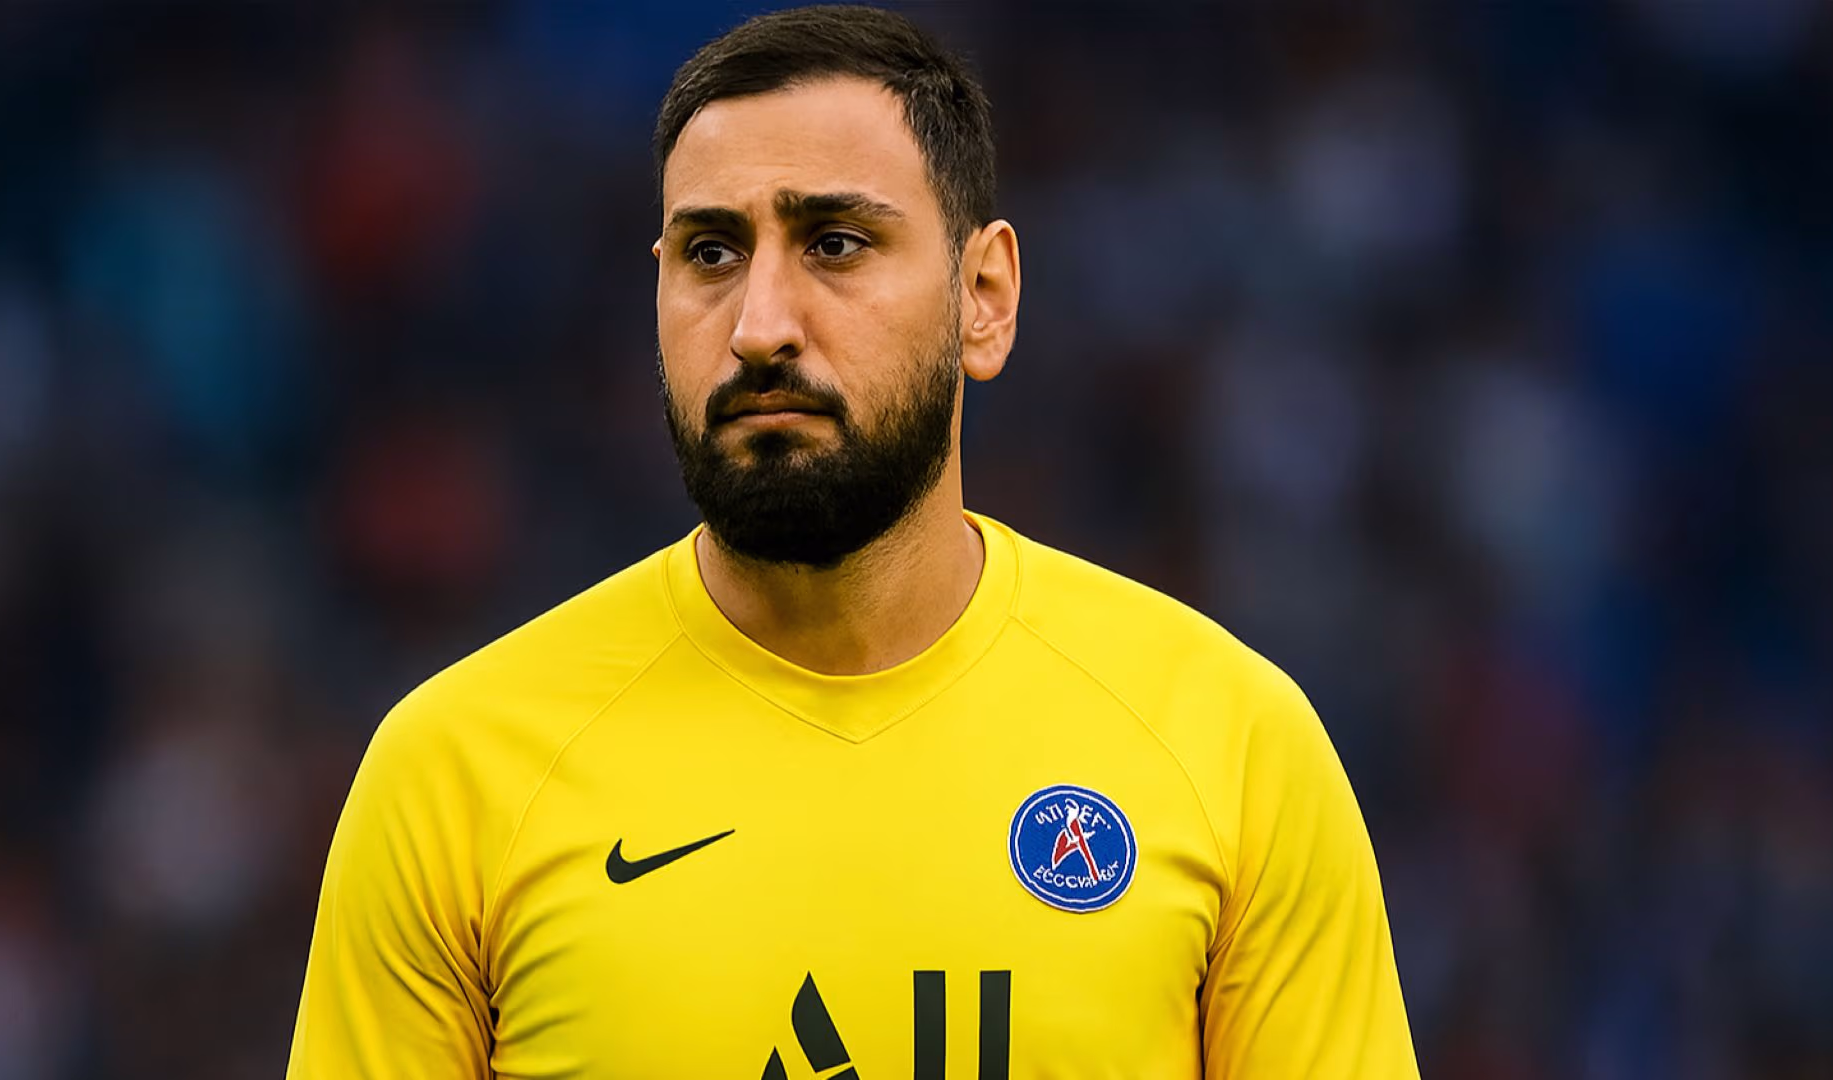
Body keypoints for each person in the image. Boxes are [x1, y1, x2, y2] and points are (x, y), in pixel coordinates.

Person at [286, 6, 1419, 1077]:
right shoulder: (451, 778)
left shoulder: (1233, 748)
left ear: (984, 297)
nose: (761, 325)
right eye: (712, 254)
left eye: (834, 242)